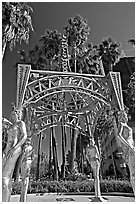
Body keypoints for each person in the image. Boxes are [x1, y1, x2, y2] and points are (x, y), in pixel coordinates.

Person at [2, 106, 27, 202]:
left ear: (18, 114)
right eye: (12, 114)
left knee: (5, 177)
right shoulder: (11, 125)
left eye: (14, 114)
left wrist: (14, 148)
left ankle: (5, 200)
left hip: (14, 150)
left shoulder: (21, 123)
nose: (12, 115)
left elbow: (24, 136)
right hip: (6, 150)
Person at [117, 111, 135, 194]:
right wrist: (128, 145)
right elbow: (119, 135)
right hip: (130, 149)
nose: (126, 117)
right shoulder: (122, 124)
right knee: (133, 171)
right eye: (124, 115)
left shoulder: (125, 125)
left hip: (132, 148)